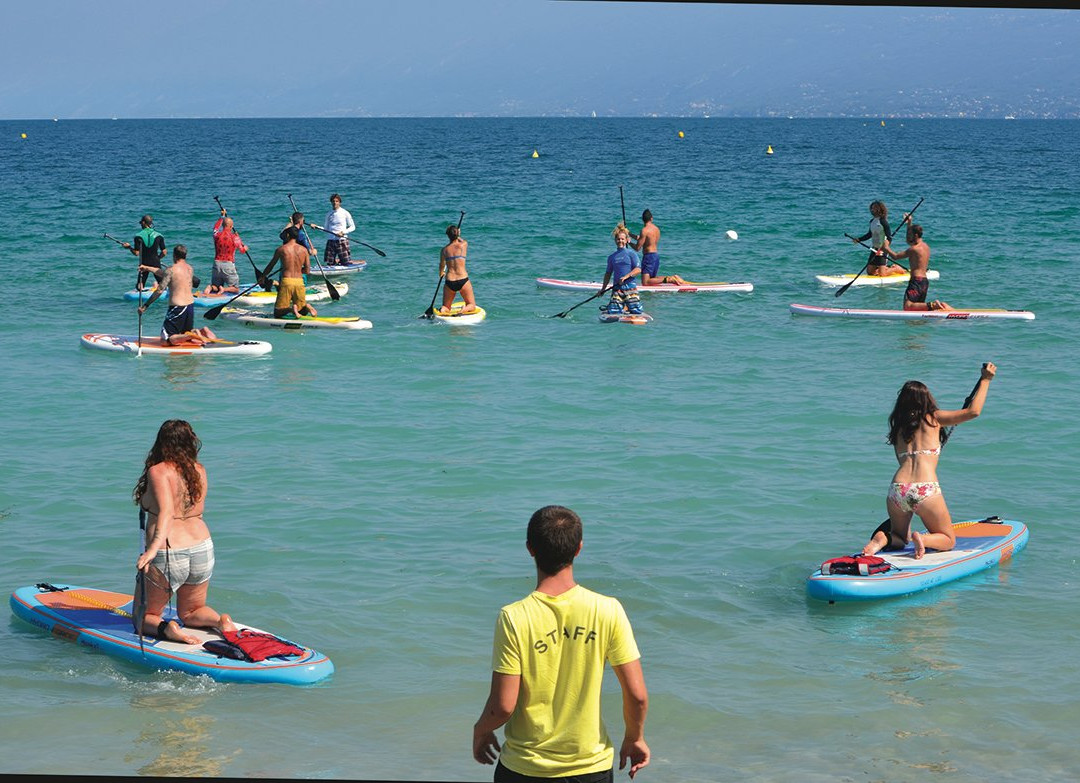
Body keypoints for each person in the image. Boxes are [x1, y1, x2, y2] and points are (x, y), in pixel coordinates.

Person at [473, 505, 650, 782]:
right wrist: (634, 737)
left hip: (525, 768)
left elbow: (503, 706)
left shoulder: (514, 617)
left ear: (530, 548)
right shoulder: (607, 609)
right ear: (578, 548)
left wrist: (481, 730)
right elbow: (637, 696)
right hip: (591, 767)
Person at [862, 362, 997, 560]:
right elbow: (973, 412)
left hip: (898, 489)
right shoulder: (933, 418)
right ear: (926, 399)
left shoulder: (898, 428)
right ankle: (923, 540)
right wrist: (985, 380)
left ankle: (881, 540)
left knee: (900, 537)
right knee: (948, 539)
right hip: (924, 489)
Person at [132, 419, 235, 644]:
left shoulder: (158, 471)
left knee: (143, 616)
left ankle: (168, 629)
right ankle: (220, 621)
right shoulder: (198, 470)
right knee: (190, 611)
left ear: (160, 443)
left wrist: (151, 551)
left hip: (170, 550)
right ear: (191, 442)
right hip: (202, 546)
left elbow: (167, 512)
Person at [138, 245, 218, 344]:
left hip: (177, 307)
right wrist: (147, 268)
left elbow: (160, 289)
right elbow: (164, 273)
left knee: (165, 339)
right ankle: (203, 331)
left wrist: (146, 305)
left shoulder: (171, 270)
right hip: (189, 306)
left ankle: (193, 334)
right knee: (184, 333)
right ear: (185, 255)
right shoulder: (189, 268)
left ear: (174, 255)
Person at [882, 223, 951, 311]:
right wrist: (909, 223)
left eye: (910, 235)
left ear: (915, 235)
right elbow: (909, 241)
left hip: (916, 281)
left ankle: (933, 305)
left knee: (908, 306)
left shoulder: (913, 249)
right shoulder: (926, 246)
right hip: (924, 282)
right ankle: (924, 317)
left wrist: (886, 247)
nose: (908, 237)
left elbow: (895, 256)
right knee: (918, 309)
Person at [268, 227, 317, 318]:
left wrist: (262, 277)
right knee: (302, 312)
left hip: (287, 281)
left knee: (278, 313)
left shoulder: (281, 249)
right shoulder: (304, 250)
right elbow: (307, 270)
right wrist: (298, 270)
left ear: (287, 235)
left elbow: (271, 266)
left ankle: (291, 309)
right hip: (299, 281)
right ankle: (307, 307)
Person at [631, 209, 685, 286]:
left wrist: (628, 242)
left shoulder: (644, 230)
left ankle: (670, 279)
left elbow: (637, 248)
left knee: (645, 282)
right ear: (651, 218)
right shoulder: (656, 229)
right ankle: (673, 277)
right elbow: (644, 239)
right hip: (655, 256)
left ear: (642, 219)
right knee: (652, 280)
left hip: (648, 257)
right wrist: (629, 234)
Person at [852, 201, 904, 277]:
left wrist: (885, 247)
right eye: (872, 208)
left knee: (882, 275)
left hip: (882, 250)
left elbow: (889, 237)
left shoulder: (883, 222)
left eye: (874, 208)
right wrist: (859, 239)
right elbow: (869, 234)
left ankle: (896, 268)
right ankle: (885, 268)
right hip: (874, 249)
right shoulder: (872, 221)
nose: (872, 210)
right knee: (870, 272)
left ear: (880, 209)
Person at [204, 208, 248, 295]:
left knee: (215, 286)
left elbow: (216, 227)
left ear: (223, 225)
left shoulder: (216, 235)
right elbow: (242, 250)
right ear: (231, 227)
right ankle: (224, 289)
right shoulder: (234, 237)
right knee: (235, 289)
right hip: (228, 264)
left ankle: (210, 287)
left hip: (216, 263)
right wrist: (245, 247)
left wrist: (222, 216)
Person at [602, 225, 644, 315]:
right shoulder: (611, 257)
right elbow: (608, 274)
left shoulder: (631, 254)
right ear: (615, 240)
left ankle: (629, 309)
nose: (620, 241)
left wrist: (626, 277)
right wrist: (603, 289)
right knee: (613, 312)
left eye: (622, 239)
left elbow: (638, 269)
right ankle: (617, 308)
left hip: (630, 288)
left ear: (626, 240)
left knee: (637, 312)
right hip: (617, 289)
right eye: (618, 239)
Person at [438, 224, 477, 315]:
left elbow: (441, 265)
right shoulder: (463, 245)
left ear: (448, 235)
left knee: (446, 306)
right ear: (457, 234)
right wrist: (458, 234)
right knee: (471, 305)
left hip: (449, 281)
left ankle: (443, 310)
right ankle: (463, 309)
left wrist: (441, 273)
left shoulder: (444, 250)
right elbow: (461, 240)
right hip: (462, 279)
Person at [123, 214, 167, 291]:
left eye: (141, 223)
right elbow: (164, 252)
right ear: (150, 223)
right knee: (163, 285)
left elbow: (136, 253)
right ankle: (157, 285)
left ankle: (144, 288)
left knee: (139, 287)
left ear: (143, 223)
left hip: (144, 264)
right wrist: (158, 258)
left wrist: (129, 247)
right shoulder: (159, 235)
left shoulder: (138, 236)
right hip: (155, 262)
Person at [322, 193, 356, 266]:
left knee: (345, 263)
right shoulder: (329, 214)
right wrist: (316, 227)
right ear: (331, 202)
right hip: (331, 241)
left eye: (337, 201)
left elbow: (352, 227)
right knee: (329, 263)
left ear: (340, 202)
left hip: (342, 241)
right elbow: (326, 229)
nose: (335, 203)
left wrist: (343, 232)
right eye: (333, 201)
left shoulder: (345, 213)